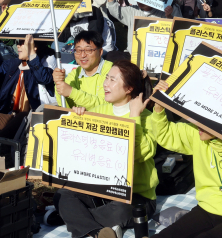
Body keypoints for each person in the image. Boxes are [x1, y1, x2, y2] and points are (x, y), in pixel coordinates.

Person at [147, 80, 222, 238]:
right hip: (206, 209)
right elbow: (165, 134)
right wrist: (159, 106)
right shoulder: (197, 133)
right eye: (197, 117)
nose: (198, 124)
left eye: (205, 120)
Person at [53, 60, 158, 238]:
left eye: (112, 80)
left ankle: (77, 221)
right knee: (62, 195)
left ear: (129, 88)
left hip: (136, 197)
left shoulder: (147, 117)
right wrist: (78, 120)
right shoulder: (100, 111)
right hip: (101, 192)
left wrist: (134, 117)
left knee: (121, 210)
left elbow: (139, 154)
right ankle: (96, 233)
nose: (105, 83)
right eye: (106, 78)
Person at [0, 32, 55, 113]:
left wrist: (31, 54)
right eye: (18, 42)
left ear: (35, 47)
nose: (18, 46)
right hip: (9, 112)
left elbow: (43, 78)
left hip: (32, 117)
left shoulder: (46, 63)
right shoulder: (15, 63)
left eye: (22, 43)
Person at [104, 0, 178, 52]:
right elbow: (115, 12)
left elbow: (175, 31)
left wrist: (169, 17)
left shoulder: (163, 13)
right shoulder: (132, 10)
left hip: (155, 54)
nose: (140, 0)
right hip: (133, 54)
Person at [52, 31, 113, 108]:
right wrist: (59, 83)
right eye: (78, 50)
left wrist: (72, 92)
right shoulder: (75, 73)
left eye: (88, 50)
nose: (83, 55)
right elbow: (65, 107)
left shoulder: (111, 71)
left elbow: (106, 105)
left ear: (100, 52)